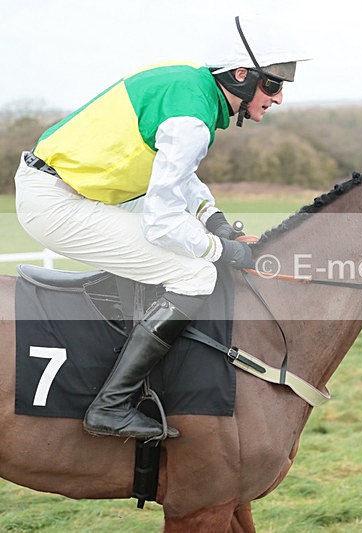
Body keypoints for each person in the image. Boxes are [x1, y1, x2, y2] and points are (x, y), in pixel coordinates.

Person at [13, 16, 308, 440]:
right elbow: (163, 221)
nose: (278, 98)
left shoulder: (191, 89)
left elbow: (179, 179)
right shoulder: (193, 116)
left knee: (195, 253)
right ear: (241, 76)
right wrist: (229, 251)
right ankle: (111, 405)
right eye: (274, 85)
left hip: (71, 189)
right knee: (196, 272)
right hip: (58, 202)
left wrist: (215, 222)